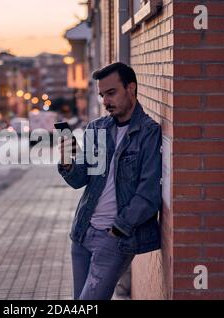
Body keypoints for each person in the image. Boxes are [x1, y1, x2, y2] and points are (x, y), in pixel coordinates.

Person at [57, 62, 162, 300]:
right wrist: (66, 161)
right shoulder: (96, 128)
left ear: (131, 88)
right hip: (83, 233)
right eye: (102, 95)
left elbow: (148, 193)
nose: (105, 101)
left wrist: (117, 229)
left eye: (111, 93)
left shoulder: (148, 132)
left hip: (115, 237)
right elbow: (79, 179)